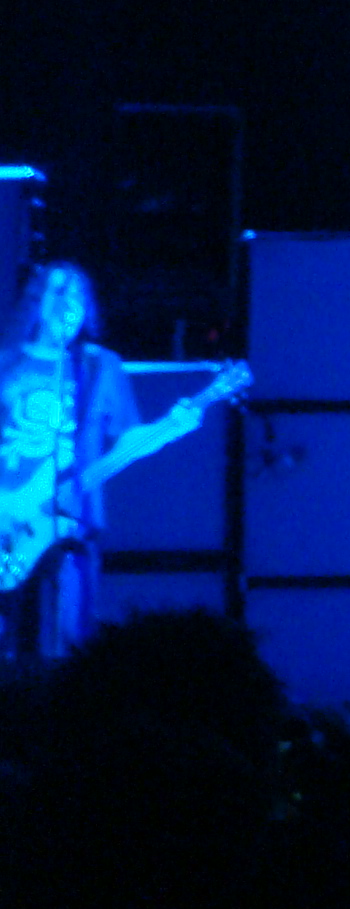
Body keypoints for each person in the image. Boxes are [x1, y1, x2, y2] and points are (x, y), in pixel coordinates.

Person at [0, 262, 160, 660]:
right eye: (57, 292)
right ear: (36, 301)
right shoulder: (6, 363)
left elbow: (127, 437)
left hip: (72, 526)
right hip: (7, 523)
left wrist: (171, 426)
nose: (67, 304)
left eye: (77, 296)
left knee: (67, 641)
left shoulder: (99, 366)